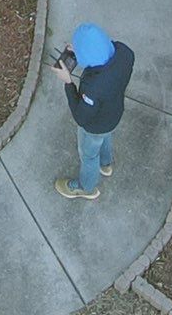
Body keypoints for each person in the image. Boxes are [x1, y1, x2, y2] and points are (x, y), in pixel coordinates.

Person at [54, 20, 134, 201]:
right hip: (114, 114)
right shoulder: (125, 53)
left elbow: (81, 117)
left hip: (95, 126)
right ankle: (106, 164)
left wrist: (68, 83)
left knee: (89, 155)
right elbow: (104, 49)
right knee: (106, 137)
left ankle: (85, 187)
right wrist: (82, 49)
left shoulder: (94, 87)